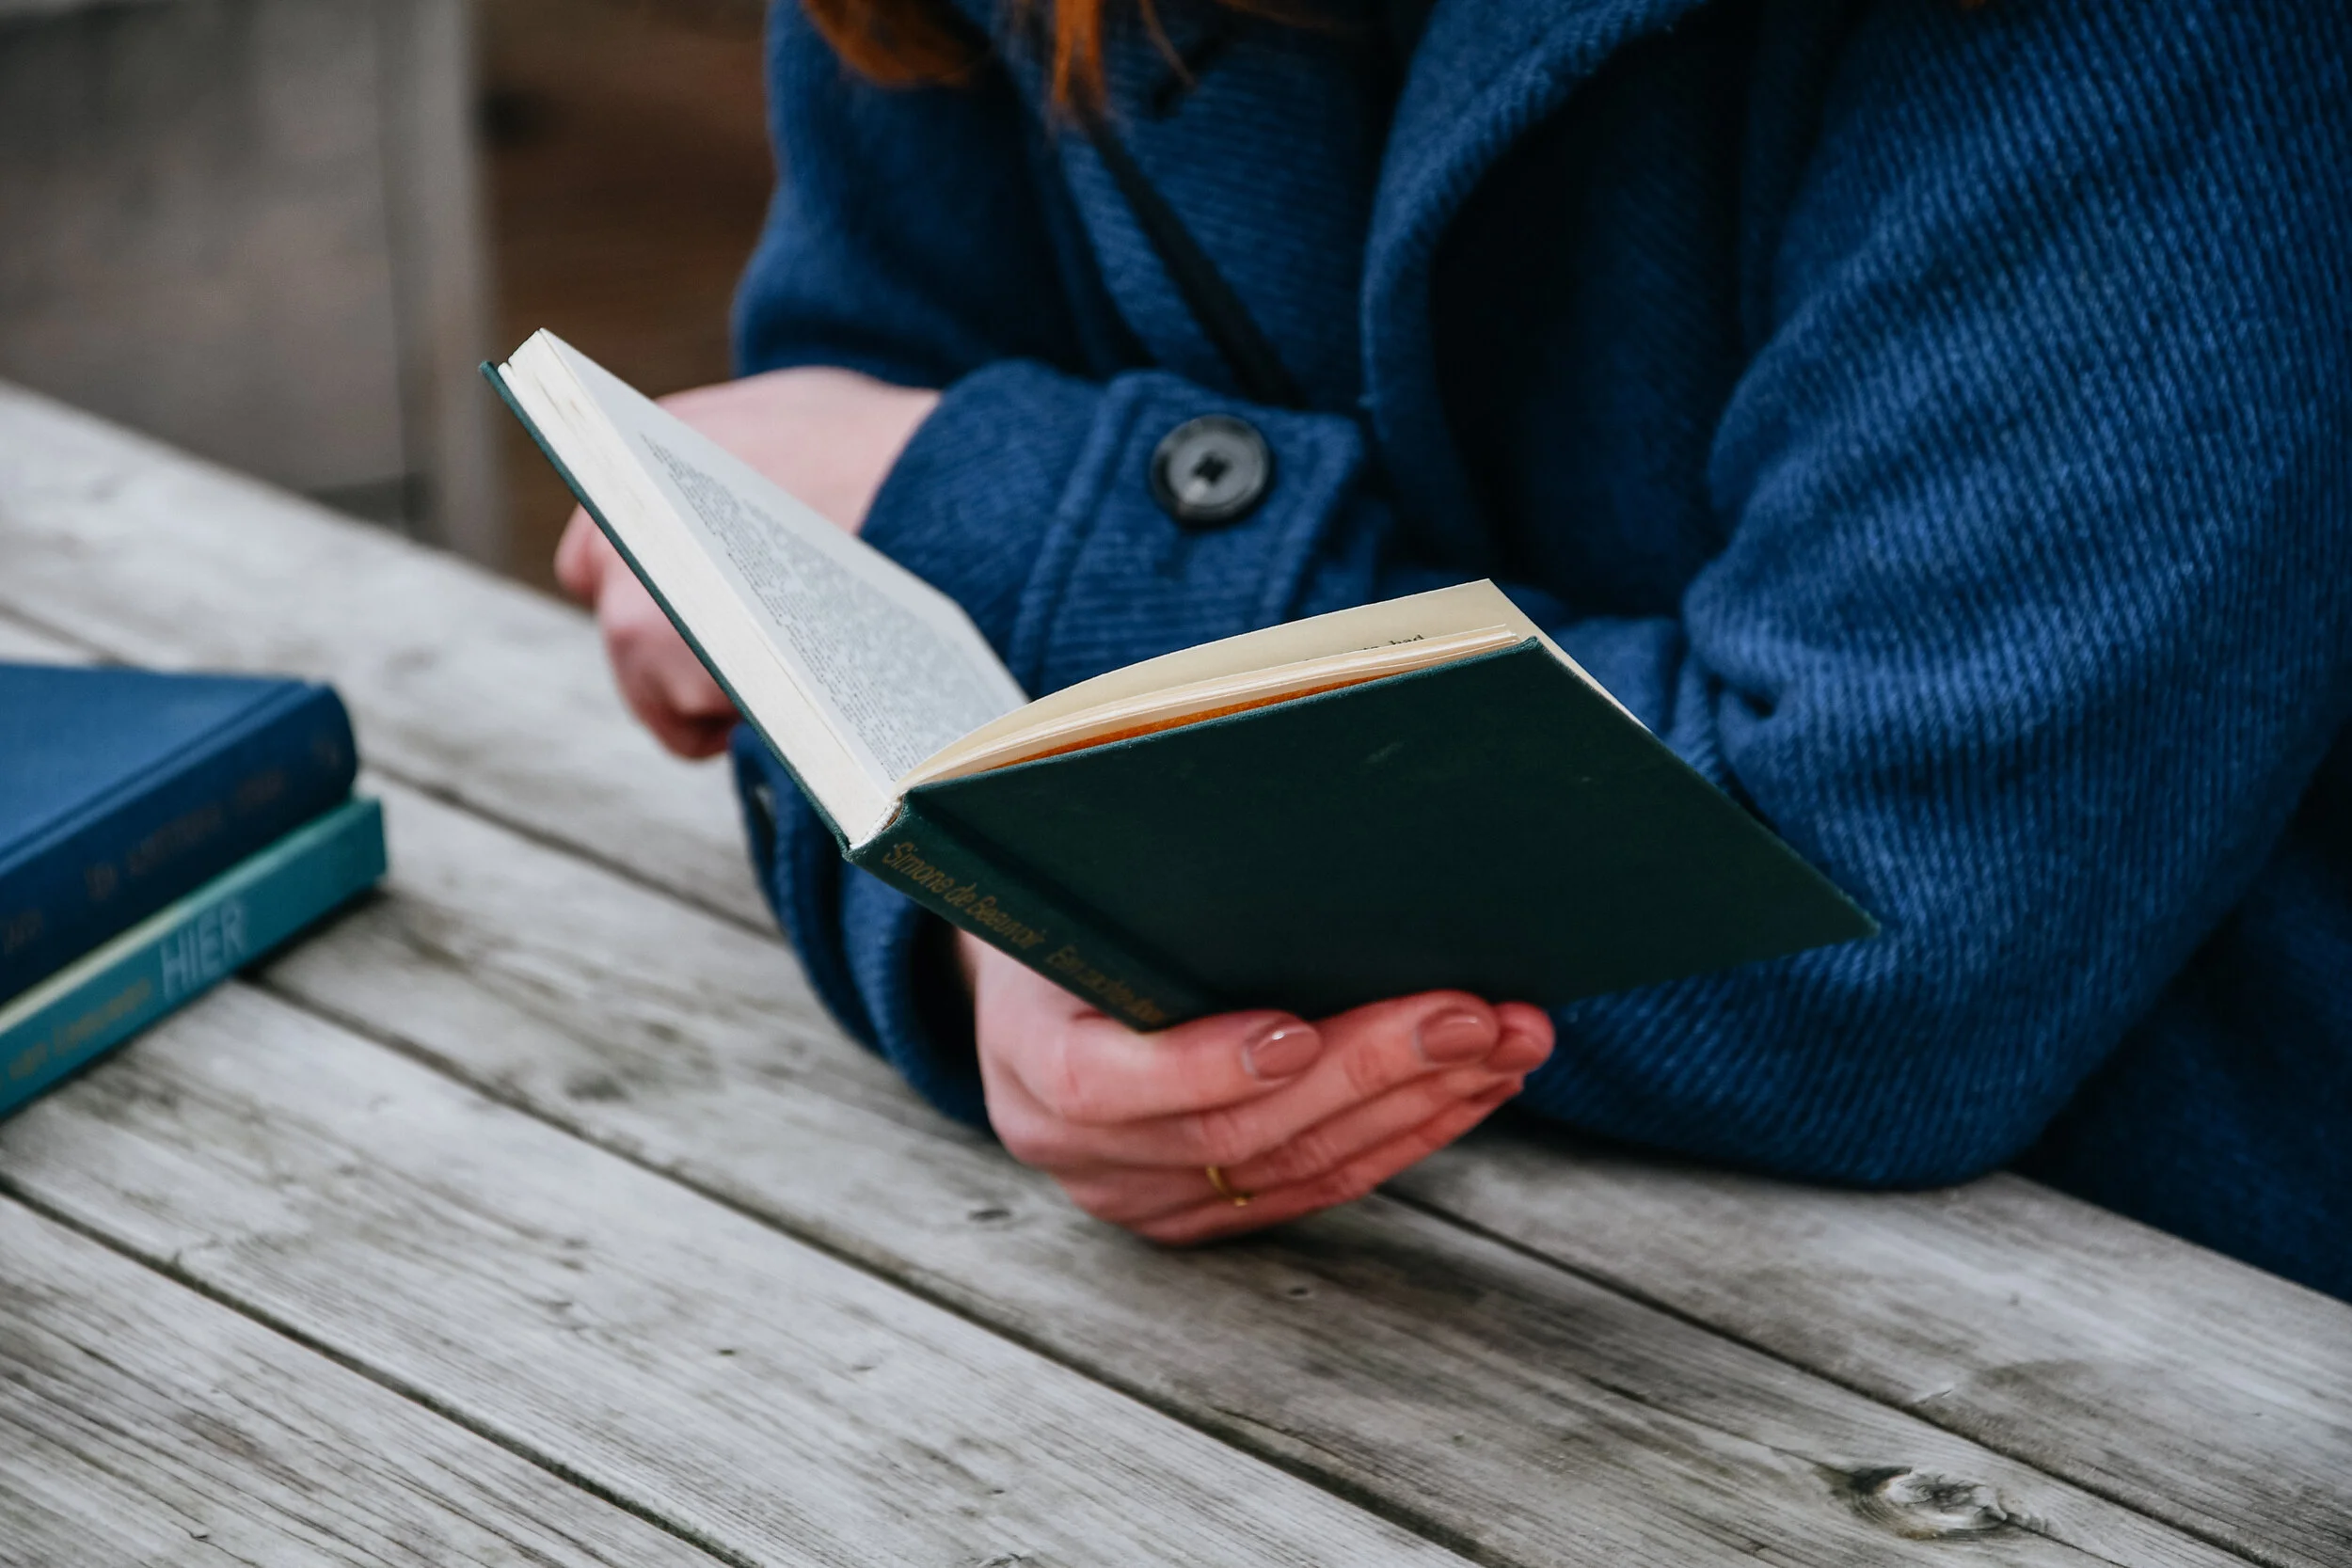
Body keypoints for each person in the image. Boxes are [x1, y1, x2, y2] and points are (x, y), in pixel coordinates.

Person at [556, 0, 2352, 1296]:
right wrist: (999, 940)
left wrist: (982, 508)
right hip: (1304, 1326)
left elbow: (1881, 911)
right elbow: (811, 574)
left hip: (2106, 1353)